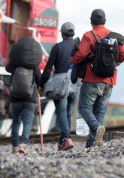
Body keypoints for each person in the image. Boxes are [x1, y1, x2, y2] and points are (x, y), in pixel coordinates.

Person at [72, 9, 124, 148]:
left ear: (91, 21)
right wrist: (113, 63)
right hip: (109, 80)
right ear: (105, 21)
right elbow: (123, 55)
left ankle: (96, 129)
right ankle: (93, 144)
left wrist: (73, 60)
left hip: (91, 78)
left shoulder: (88, 35)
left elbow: (81, 54)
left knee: (84, 108)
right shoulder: (113, 36)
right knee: (99, 112)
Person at [39, 22, 77, 151]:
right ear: (74, 33)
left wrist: (41, 85)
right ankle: (63, 141)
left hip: (61, 84)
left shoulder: (57, 47)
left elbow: (47, 69)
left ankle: (66, 138)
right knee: (68, 112)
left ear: (62, 33)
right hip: (76, 83)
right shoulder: (79, 46)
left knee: (61, 111)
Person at [6, 38, 42, 154]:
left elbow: (7, 68)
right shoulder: (34, 67)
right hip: (30, 98)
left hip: (16, 97)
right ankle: (23, 144)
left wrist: (14, 60)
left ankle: (15, 147)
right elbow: (40, 80)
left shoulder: (14, 65)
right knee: (27, 122)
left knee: (16, 122)